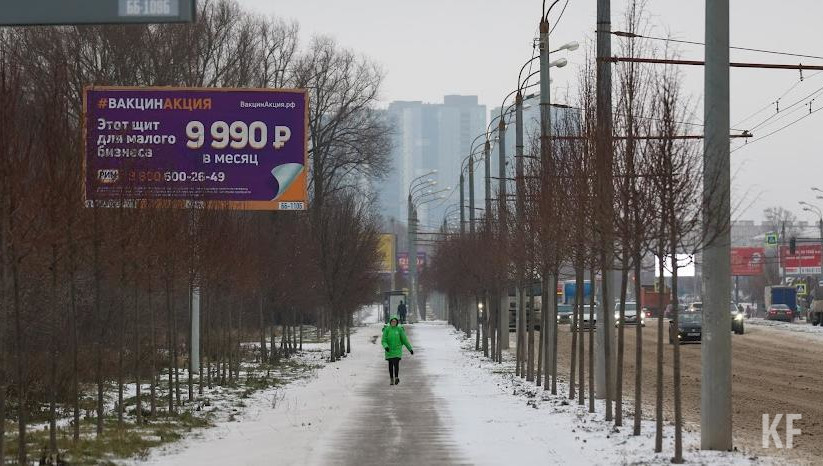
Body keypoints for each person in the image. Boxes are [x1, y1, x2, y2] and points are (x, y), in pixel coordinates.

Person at [382, 315, 413, 386]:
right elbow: (383, 340)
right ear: (390, 322)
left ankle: (396, 377)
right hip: (389, 350)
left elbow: (404, 340)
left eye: (395, 321)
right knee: (390, 365)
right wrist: (386, 346)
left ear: (397, 322)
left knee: (396, 364)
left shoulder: (399, 329)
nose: (393, 322)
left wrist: (410, 349)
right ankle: (391, 379)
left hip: (397, 350)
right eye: (392, 321)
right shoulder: (387, 329)